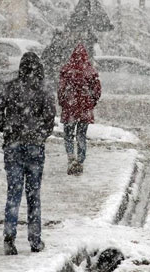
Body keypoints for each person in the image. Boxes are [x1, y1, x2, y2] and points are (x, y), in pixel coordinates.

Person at [0, 52, 56, 255]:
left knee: (13, 193)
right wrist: (40, 134)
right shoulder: (43, 89)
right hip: (34, 146)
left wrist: (6, 127)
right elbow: (50, 116)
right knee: (33, 194)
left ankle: (9, 237)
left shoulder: (10, 87)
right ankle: (35, 238)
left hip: (13, 145)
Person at [57, 43, 101, 175]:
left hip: (70, 108)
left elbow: (61, 89)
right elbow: (97, 90)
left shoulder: (67, 70)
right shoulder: (90, 71)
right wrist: (91, 102)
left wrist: (63, 102)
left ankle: (71, 157)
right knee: (81, 135)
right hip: (84, 109)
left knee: (68, 135)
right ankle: (80, 160)